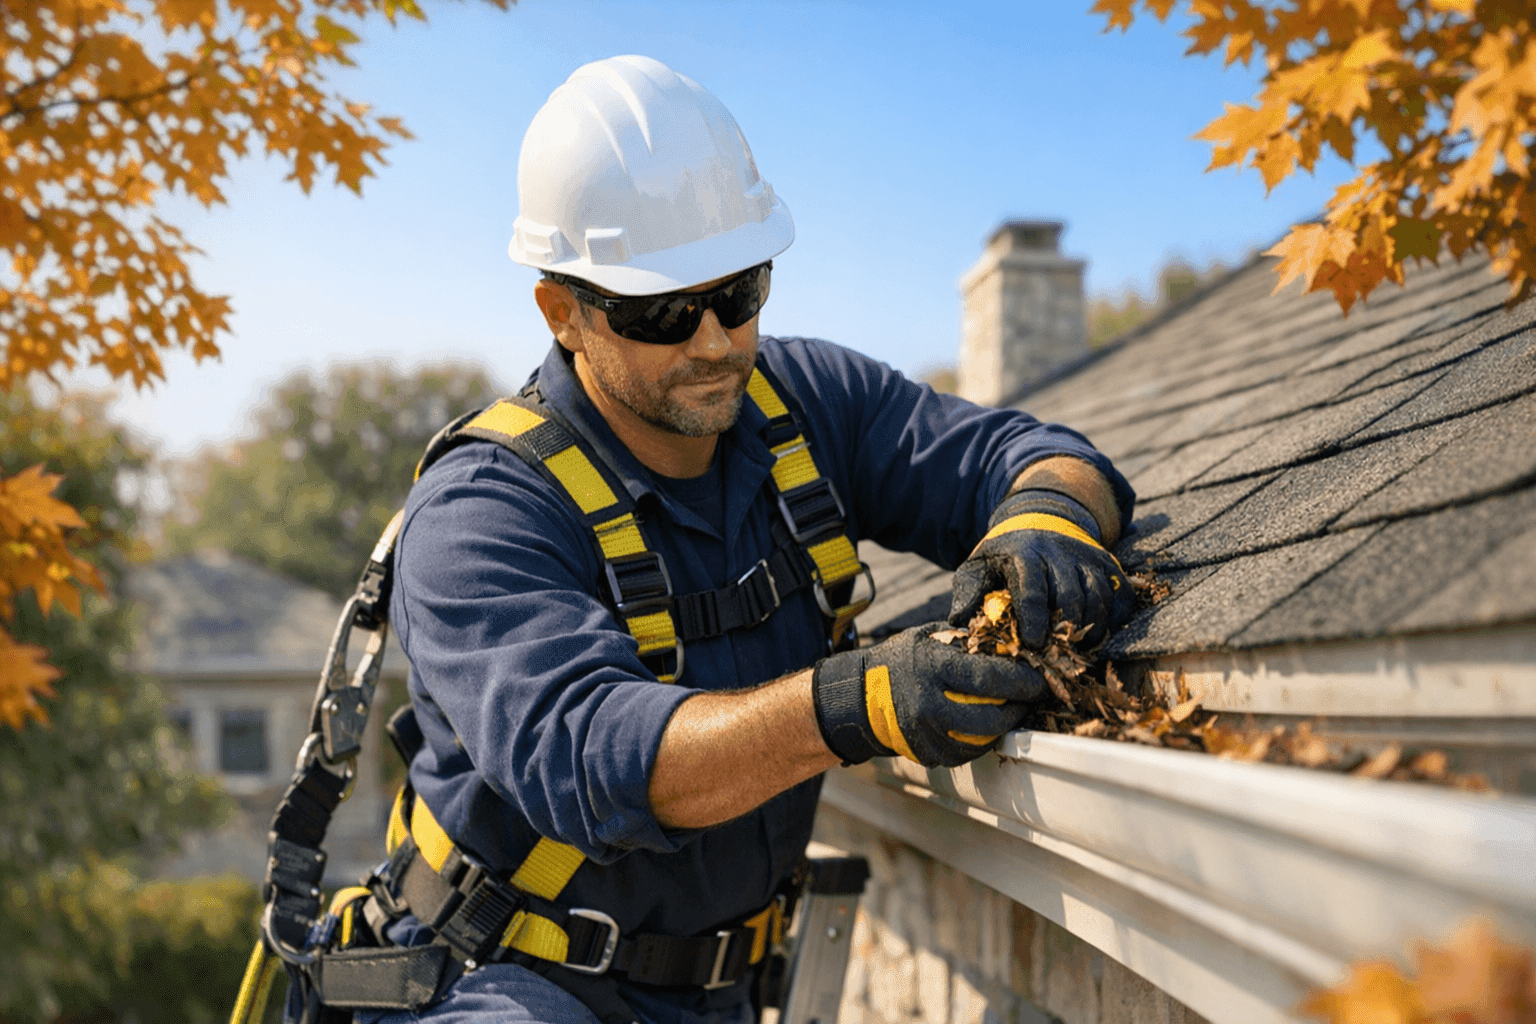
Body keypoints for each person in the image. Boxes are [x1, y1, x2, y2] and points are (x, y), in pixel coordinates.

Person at [369, 54, 1135, 1024]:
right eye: (659, 310)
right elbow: (595, 758)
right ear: (563, 313)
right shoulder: (481, 509)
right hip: (506, 983)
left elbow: (1034, 453)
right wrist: (852, 704)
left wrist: (1047, 519)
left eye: (739, 292)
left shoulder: (808, 405)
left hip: (725, 991)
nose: (714, 341)